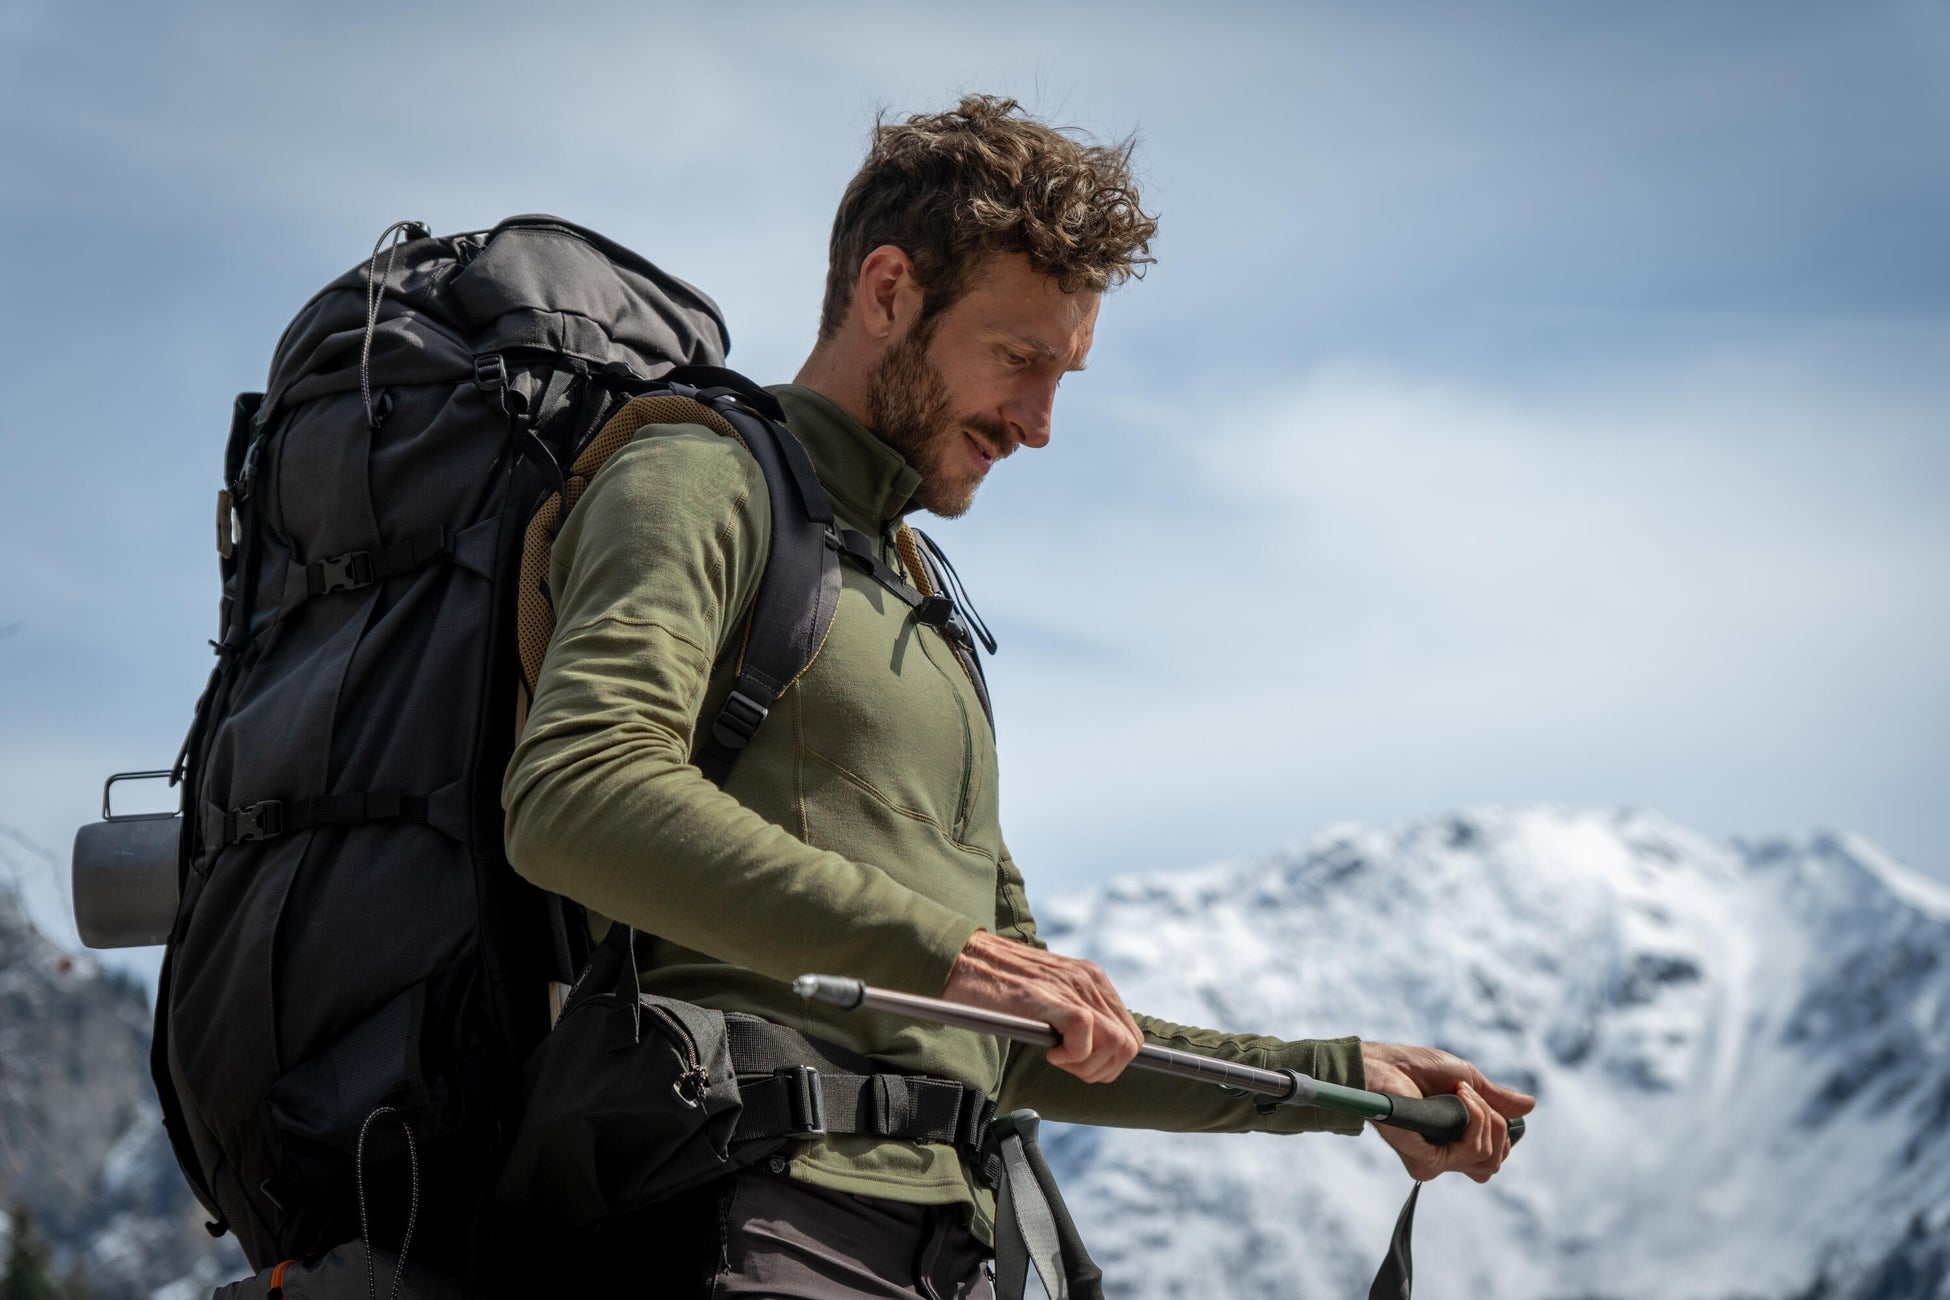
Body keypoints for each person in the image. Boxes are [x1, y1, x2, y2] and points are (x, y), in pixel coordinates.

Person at [503, 95, 1534, 1298]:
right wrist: (947, 955)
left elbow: (1036, 1037)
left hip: (944, 1248)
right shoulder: (694, 477)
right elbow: (574, 791)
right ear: (887, 292)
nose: (1041, 424)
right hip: (743, 1218)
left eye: (1066, 373)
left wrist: (1339, 1080)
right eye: (1020, 358)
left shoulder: (919, 599)